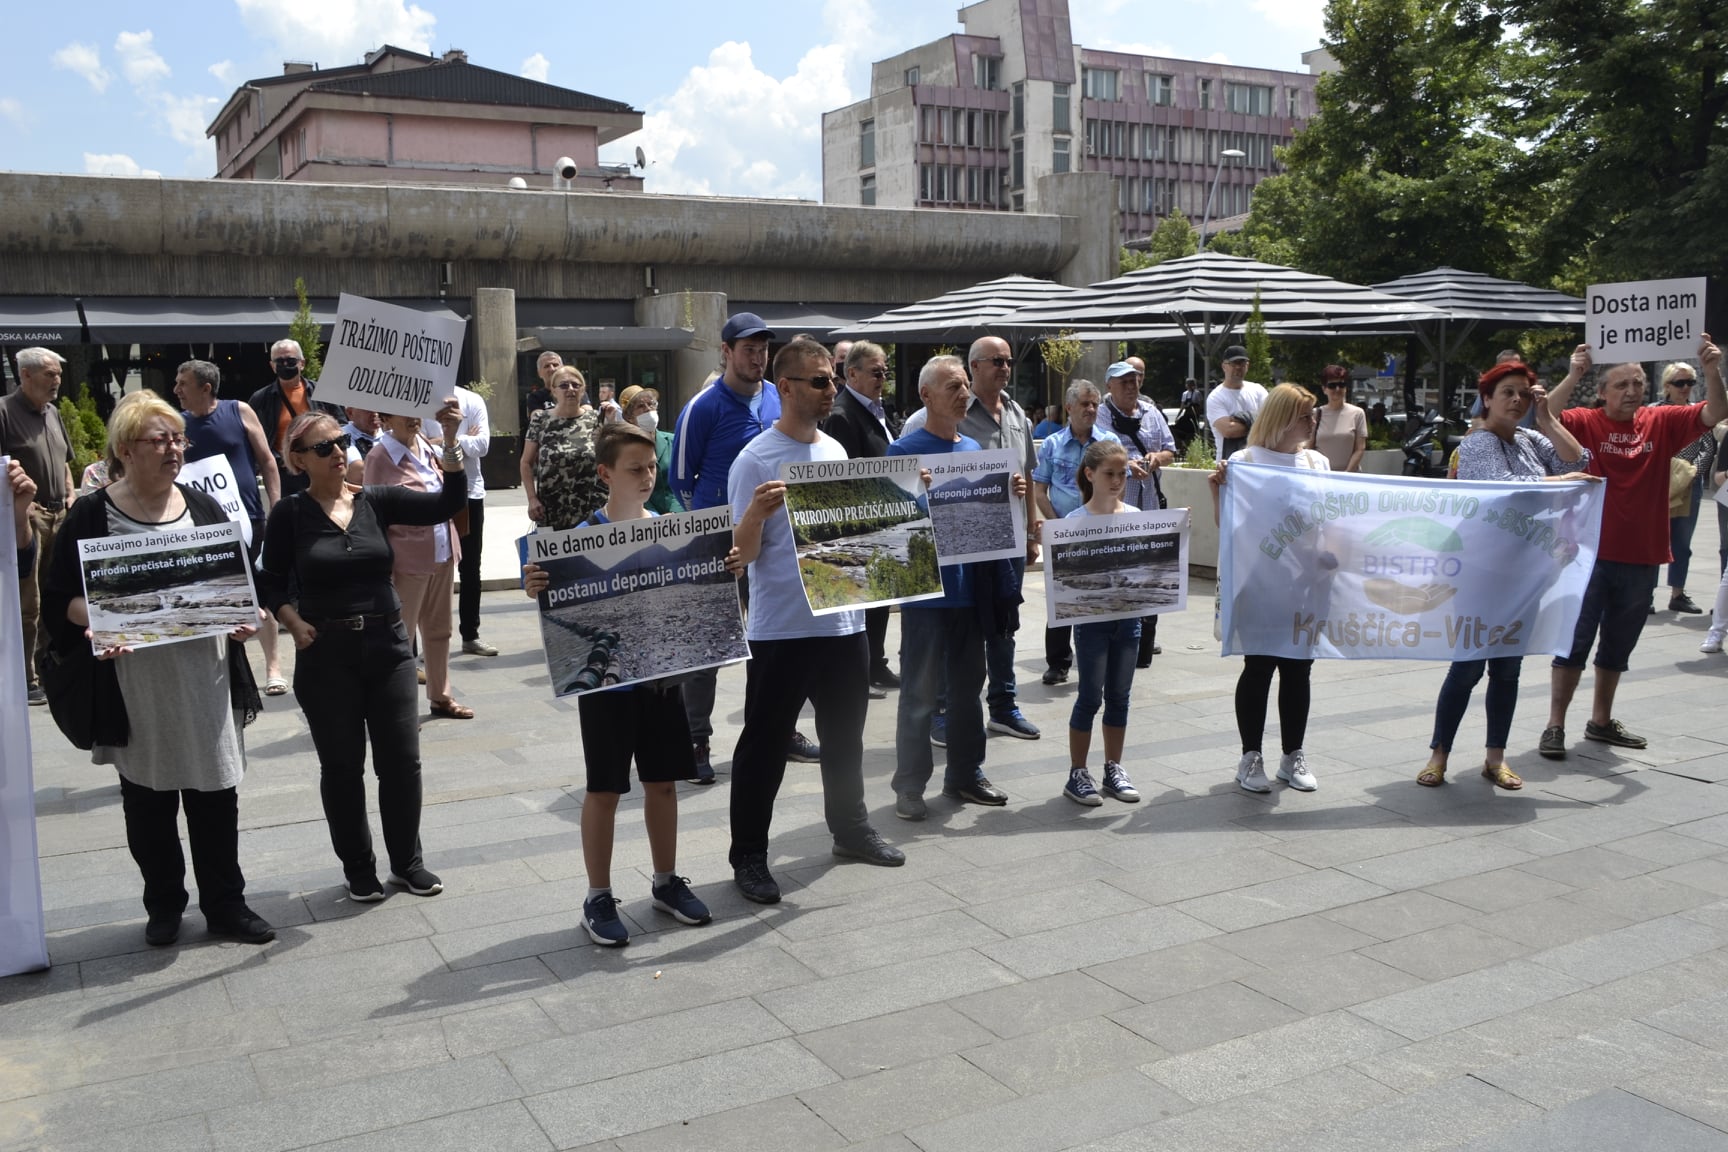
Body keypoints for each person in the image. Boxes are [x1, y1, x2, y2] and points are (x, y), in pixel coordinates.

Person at [41, 393, 273, 946]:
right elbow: (61, 598)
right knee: (148, 802)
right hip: (136, 685)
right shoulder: (94, 513)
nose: (174, 449)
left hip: (205, 678)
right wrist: (95, 622)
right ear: (125, 449)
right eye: (160, 440)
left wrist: (243, 620)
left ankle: (227, 906)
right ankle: (164, 904)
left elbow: (237, 586)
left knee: (216, 795)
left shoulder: (202, 506)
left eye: (178, 439)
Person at [521, 423, 727, 945]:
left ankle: (664, 880)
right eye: (635, 468)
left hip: (660, 684)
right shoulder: (581, 536)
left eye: (651, 467)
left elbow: (698, 579)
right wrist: (536, 583)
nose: (646, 476)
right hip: (609, 694)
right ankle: (597, 895)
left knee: (663, 782)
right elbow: (551, 590)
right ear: (604, 472)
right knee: (605, 789)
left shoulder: (669, 526)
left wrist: (726, 567)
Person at [258, 400, 468, 901]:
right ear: (298, 460)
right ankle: (358, 867)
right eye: (323, 446)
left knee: (401, 760)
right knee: (343, 766)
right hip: (326, 652)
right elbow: (268, 581)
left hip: (389, 645)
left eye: (342, 443)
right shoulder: (289, 514)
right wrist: (291, 621)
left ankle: (407, 863)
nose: (338, 452)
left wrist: (453, 442)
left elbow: (446, 503)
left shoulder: (376, 500)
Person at [726, 336, 904, 904]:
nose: (832, 390)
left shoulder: (833, 451)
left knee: (845, 738)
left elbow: (855, 539)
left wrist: (902, 505)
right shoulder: (754, 459)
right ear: (785, 387)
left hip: (842, 624)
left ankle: (850, 831)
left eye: (832, 380)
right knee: (765, 745)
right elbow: (739, 557)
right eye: (820, 381)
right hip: (783, 630)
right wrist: (754, 512)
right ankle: (750, 856)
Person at [1540, 338, 1726, 758]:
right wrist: (1574, 374)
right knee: (1574, 642)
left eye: (1638, 383)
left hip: (1643, 557)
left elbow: (1716, 412)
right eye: (1621, 384)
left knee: (1619, 645)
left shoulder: (1660, 422)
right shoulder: (1585, 420)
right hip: (1587, 558)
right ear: (1603, 392)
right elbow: (1545, 416)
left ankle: (1600, 721)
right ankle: (1555, 725)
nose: (1631, 391)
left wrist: (1712, 370)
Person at [1419, 362, 1595, 790]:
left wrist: (1548, 418)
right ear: (1488, 399)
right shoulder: (1478, 443)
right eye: (1508, 393)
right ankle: (1438, 755)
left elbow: (1582, 459)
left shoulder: (1531, 438)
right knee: (1466, 668)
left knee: (1508, 668)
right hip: (1481, 575)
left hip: (1524, 573)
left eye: (1523, 393)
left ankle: (1495, 758)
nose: (1517, 401)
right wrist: (1561, 481)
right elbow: (1507, 490)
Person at [670, 313, 817, 777]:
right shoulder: (702, 408)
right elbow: (680, 483)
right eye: (748, 349)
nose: (757, 357)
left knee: (783, 640)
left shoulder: (779, 396)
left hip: (776, 545)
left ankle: (784, 729)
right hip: (721, 546)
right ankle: (695, 742)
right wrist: (721, 525)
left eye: (763, 349)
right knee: (709, 648)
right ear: (726, 352)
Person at [888, 355, 1024, 820]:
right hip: (926, 595)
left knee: (969, 691)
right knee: (921, 694)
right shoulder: (902, 452)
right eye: (953, 386)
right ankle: (909, 786)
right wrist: (914, 494)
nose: (964, 392)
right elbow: (889, 529)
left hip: (972, 594)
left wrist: (1011, 494)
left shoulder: (975, 450)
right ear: (926, 396)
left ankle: (966, 774)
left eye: (965, 383)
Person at [1208, 384, 1327, 794]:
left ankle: (1293, 755)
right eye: (1306, 415)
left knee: (1299, 669)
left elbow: (1331, 520)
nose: (1313, 422)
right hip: (1259, 583)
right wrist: (1216, 488)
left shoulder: (1317, 462)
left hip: (1306, 585)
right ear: (1281, 418)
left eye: (1314, 416)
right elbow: (1228, 527)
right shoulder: (1244, 461)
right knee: (1258, 668)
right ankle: (1250, 756)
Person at [175, 359, 287, 695]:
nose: (176, 390)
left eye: (183, 383)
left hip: (249, 520)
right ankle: (223, 670)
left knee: (257, 593)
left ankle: (273, 667)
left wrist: (276, 506)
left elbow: (267, 460)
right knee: (212, 597)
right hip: (200, 528)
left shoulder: (238, 411)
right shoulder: (176, 424)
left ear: (205, 387)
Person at [366, 411, 471, 720]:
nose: (413, 417)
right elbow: (372, 515)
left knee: (440, 631)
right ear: (385, 419)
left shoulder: (426, 444)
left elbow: (452, 488)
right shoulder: (379, 456)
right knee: (400, 636)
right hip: (407, 560)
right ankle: (395, 707)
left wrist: (451, 438)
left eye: (415, 410)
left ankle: (441, 696)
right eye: (403, 413)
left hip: (442, 551)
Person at [1061, 438, 1143, 807]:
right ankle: (1078, 772)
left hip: (1129, 621)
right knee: (1090, 696)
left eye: (1122, 474)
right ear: (1090, 474)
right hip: (1092, 623)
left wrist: (1177, 531)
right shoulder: (1075, 522)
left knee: (1120, 697)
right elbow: (1066, 579)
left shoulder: (1137, 516)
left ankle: (1114, 767)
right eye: (1109, 473)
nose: (1116, 481)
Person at [821, 340, 903, 697]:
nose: (882, 377)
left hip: (885, 517)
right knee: (862, 601)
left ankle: (876, 663)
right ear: (850, 373)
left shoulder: (879, 410)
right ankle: (860, 671)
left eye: (885, 371)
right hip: (862, 521)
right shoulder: (842, 415)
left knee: (881, 600)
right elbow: (846, 476)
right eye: (875, 371)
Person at [0, 347, 76, 707]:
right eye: (49, 374)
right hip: (26, 518)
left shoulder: (54, 413)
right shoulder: (3, 411)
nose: (57, 380)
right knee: (28, 601)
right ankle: (26, 675)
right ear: (25, 375)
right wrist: (20, 504)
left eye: (58, 374)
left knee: (57, 594)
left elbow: (63, 461)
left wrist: (72, 491)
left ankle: (50, 666)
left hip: (60, 514)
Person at [1033, 379, 1120, 685]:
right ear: (1068, 407)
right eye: (1084, 403)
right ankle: (1058, 663)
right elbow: (1040, 490)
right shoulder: (1052, 444)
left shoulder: (1108, 442)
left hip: (1100, 531)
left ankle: (1098, 658)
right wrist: (1060, 526)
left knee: (1101, 594)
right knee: (1063, 597)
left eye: (1095, 403)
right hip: (1066, 532)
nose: (1091, 409)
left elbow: (1116, 487)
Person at [1101, 359, 1176, 668]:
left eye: (1135, 381)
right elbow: (1098, 458)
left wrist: (1157, 457)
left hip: (1150, 506)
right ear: (1110, 386)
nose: (1132, 387)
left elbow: (1171, 450)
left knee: (1151, 573)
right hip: (1116, 510)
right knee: (1118, 569)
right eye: (1124, 382)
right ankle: (1114, 636)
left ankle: (1144, 644)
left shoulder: (1152, 413)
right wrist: (1127, 468)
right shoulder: (1102, 416)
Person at [422, 384, 495, 657]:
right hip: (431, 493)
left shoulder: (472, 400)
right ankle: (427, 639)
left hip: (470, 494)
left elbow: (483, 446)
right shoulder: (419, 398)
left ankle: (470, 634)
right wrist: (458, 440)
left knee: (470, 567)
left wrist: (443, 441)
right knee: (429, 568)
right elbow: (419, 451)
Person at [248, 339, 343, 496]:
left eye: (291, 360)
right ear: (272, 366)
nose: (285, 365)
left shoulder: (322, 392)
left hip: (322, 466)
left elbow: (341, 425)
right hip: (285, 473)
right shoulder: (260, 399)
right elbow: (253, 437)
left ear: (302, 363)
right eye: (280, 361)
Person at [521, 365, 607, 532]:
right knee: (554, 559)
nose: (570, 389)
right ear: (553, 391)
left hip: (592, 508)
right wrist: (532, 499)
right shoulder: (540, 419)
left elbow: (610, 460)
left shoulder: (597, 419)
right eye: (564, 385)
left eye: (576, 385)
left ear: (583, 390)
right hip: (552, 509)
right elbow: (526, 462)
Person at [1659, 362, 1713, 615]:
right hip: (1657, 483)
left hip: (1689, 485)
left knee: (1682, 542)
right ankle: (1644, 594)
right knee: (1652, 538)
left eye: (1690, 382)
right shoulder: (1654, 412)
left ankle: (1677, 593)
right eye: (1680, 383)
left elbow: (1707, 448)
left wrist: (1693, 474)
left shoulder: (1699, 414)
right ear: (1667, 386)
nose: (1685, 388)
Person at [618, 385, 683, 514]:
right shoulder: (625, 451)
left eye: (651, 404)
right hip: (646, 524)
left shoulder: (673, 440)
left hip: (679, 519)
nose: (648, 409)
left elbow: (683, 480)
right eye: (641, 406)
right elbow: (631, 489)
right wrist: (654, 518)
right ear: (630, 417)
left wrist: (675, 513)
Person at [1206, 345, 1269, 459]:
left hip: (1260, 461)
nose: (1238, 367)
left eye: (1242, 363)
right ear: (1224, 366)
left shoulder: (1258, 390)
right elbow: (1229, 431)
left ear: (1247, 366)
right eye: (1233, 363)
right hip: (1229, 463)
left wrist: (1245, 422)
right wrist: (1262, 423)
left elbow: (1274, 418)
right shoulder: (1216, 397)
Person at [1313, 364, 1367, 473]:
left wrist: (1346, 474)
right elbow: (1309, 447)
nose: (1337, 389)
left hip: (1350, 478)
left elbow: (1360, 448)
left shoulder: (1358, 413)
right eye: (1332, 385)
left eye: (1342, 384)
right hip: (1322, 477)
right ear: (1324, 389)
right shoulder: (1315, 414)